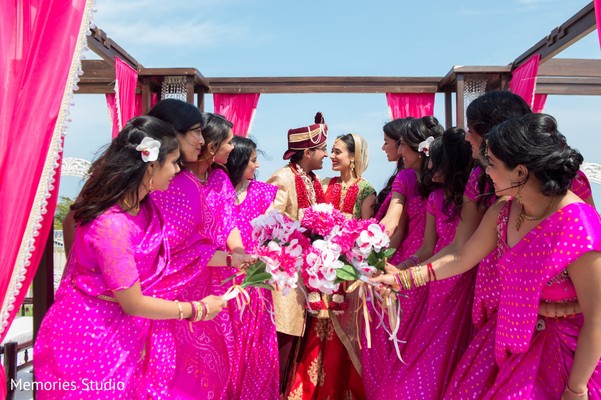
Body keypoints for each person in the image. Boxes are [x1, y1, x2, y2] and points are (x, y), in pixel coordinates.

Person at [373, 113, 601, 399]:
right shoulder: (505, 210)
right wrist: (403, 279)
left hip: (566, 358)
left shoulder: (579, 225)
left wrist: (576, 390)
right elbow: (461, 255)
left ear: (520, 172)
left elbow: (597, 319)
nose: (484, 171)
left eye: (491, 163)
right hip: (512, 340)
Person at [34, 116, 227, 399]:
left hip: (126, 332)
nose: (177, 170)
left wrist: (230, 259)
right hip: (89, 337)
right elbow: (133, 302)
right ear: (150, 165)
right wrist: (196, 309)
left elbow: (176, 254)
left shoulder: (144, 209)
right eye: (173, 162)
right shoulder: (111, 224)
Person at [147, 103, 253, 399]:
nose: (233, 147)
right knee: (179, 363)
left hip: (213, 274)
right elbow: (175, 246)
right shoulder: (177, 183)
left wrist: (238, 253)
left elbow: (228, 221)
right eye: (229, 141)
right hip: (176, 283)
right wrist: (234, 258)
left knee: (214, 356)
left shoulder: (215, 179)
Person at [374, 128, 475, 399]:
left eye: (434, 159)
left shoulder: (472, 200)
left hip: (462, 282)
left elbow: (460, 249)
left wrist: (406, 276)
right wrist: (403, 266)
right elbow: (427, 248)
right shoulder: (435, 198)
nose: (429, 165)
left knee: (443, 356)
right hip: (435, 282)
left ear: (449, 163)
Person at [361, 116, 443, 398]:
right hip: (432, 270)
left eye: (398, 145)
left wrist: (360, 242)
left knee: (394, 345)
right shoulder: (438, 181)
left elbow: (391, 223)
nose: (396, 151)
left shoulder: (408, 177)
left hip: (405, 272)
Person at [288, 133, 375, 399]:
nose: (332, 156)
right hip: (319, 270)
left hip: (346, 274)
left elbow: (367, 235)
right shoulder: (324, 184)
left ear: (353, 157)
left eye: (338, 152)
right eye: (332, 151)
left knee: (342, 335)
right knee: (316, 331)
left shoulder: (366, 191)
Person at [266, 112, 329, 397]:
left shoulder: (312, 180)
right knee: (283, 343)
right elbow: (268, 227)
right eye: (323, 149)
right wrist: (302, 237)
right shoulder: (282, 178)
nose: (326, 155)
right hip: (286, 278)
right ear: (308, 152)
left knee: (296, 347)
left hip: (306, 276)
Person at [225, 136, 279, 399]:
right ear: (238, 160)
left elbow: (275, 232)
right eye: (253, 160)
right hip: (222, 281)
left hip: (255, 283)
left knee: (256, 349)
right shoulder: (214, 191)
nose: (257, 166)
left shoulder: (263, 193)